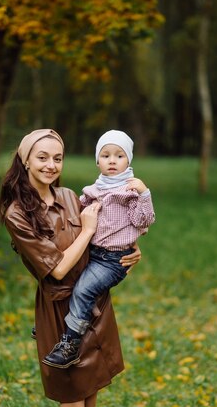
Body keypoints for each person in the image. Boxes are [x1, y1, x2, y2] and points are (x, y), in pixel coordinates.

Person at [0, 128, 141, 407]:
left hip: (93, 302)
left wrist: (129, 247)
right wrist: (90, 228)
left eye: (57, 158)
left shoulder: (66, 196)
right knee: (73, 406)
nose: (50, 165)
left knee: (90, 406)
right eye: (42, 157)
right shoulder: (17, 213)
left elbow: (103, 236)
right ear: (25, 159)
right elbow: (58, 269)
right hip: (60, 313)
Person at [43, 129, 155, 369]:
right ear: (97, 160)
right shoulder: (94, 189)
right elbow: (76, 215)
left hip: (114, 260)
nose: (112, 161)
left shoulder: (130, 191)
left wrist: (144, 193)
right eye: (105, 156)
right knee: (74, 283)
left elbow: (143, 221)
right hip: (92, 253)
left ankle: (70, 344)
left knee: (83, 290)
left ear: (129, 161)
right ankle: (54, 327)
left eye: (119, 156)